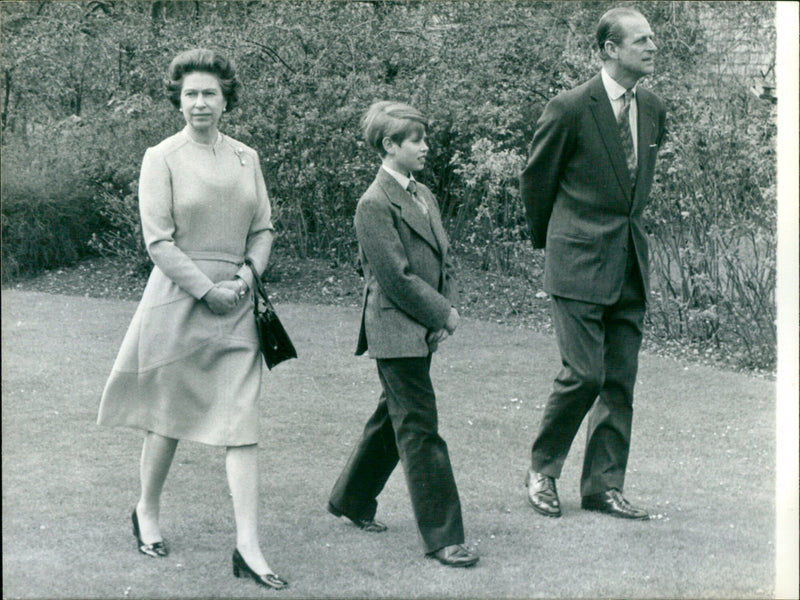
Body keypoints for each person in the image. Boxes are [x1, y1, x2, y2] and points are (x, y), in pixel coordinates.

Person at [97, 49, 288, 590]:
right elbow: (158, 240)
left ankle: (248, 546)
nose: (200, 102)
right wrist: (207, 290)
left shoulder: (247, 157)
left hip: (239, 302)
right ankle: (147, 510)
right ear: (178, 100)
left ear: (226, 98)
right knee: (167, 418)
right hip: (179, 301)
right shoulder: (161, 156)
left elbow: (264, 228)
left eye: (209, 92)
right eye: (190, 94)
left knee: (241, 420)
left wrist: (245, 281)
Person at [520, 7, 666, 520]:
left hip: (629, 261)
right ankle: (542, 469)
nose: (652, 47)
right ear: (610, 49)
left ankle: (603, 486)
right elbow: (537, 183)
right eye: (641, 40)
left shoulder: (651, 107)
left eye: (652, 38)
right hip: (577, 262)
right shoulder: (569, 108)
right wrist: (558, 245)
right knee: (584, 374)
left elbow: (632, 184)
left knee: (619, 380)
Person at [327, 101, 478, 568]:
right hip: (395, 330)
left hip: (420, 328)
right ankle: (443, 537)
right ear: (389, 146)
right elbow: (396, 278)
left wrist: (442, 311)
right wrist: (444, 315)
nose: (426, 147)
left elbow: (443, 259)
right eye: (417, 140)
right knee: (418, 427)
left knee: (392, 418)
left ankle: (350, 498)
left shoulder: (423, 194)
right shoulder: (373, 204)